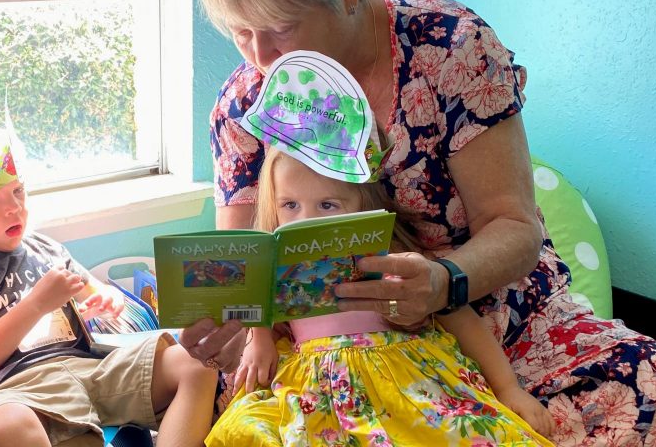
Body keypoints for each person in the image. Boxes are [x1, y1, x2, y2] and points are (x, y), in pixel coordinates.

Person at [183, 0, 656, 444]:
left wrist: (443, 282)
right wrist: (225, 327)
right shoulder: (244, 105)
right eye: (242, 34)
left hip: (483, 308)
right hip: (326, 342)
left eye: (281, 27)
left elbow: (513, 227)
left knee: (645, 384)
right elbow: (242, 268)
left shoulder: (448, 45)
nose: (262, 59)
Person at [207, 147, 553, 445]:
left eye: (327, 205)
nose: (307, 219)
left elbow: (461, 319)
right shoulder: (278, 270)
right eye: (290, 205)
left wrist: (508, 388)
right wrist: (259, 339)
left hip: (403, 381)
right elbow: (259, 311)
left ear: (362, 203)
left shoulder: (395, 263)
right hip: (316, 388)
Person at [0, 118, 217, 447]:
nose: (14, 207)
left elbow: (98, 292)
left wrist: (110, 301)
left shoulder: (45, 248)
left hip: (91, 367)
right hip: (18, 388)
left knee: (198, 361)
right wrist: (36, 305)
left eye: (17, 191)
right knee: (6, 427)